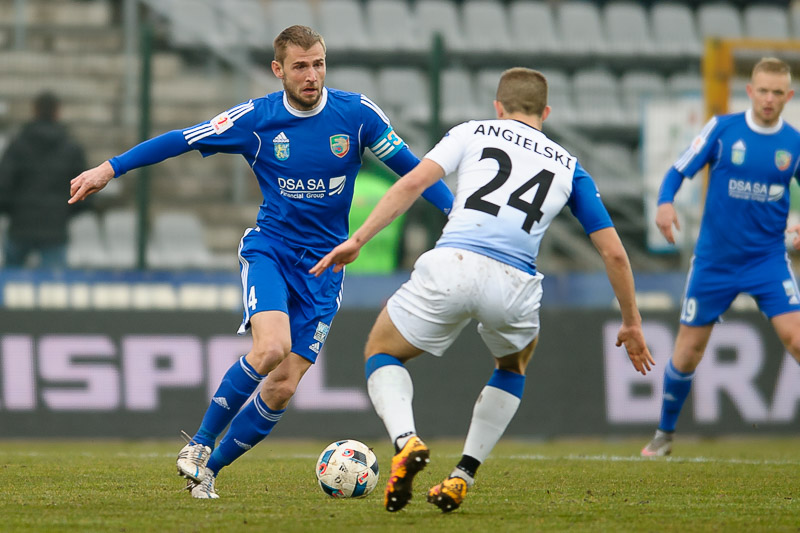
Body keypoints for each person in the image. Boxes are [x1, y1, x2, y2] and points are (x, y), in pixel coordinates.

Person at [68, 25, 453, 498]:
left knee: (282, 386)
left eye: (318, 63)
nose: (312, 75)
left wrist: (458, 212)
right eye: (300, 66)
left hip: (326, 267)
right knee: (271, 349)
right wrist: (110, 168)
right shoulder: (256, 119)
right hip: (271, 250)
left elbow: (414, 172)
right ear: (279, 70)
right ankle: (200, 445)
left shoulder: (355, 115)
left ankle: (208, 473)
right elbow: (182, 139)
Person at [311, 67, 655, 513]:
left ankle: (405, 440)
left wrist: (358, 239)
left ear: (498, 106)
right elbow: (614, 254)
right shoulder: (569, 166)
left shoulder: (472, 132)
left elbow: (414, 181)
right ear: (546, 112)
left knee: (382, 350)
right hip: (513, 283)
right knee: (512, 366)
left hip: (453, 263)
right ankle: (462, 475)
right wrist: (631, 320)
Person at [641, 57, 800, 457]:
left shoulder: (793, 144)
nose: (768, 99)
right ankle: (664, 434)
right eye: (761, 90)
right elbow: (677, 171)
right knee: (689, 351)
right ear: (749, 91)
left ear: (788, 96)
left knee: (797, 339)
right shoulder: (723, 129)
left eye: (777, 92)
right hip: (715, 262)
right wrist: (664, 203)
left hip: (767, 260)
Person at [0, 91, 88, 269]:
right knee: (53, 287)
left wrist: (13, 210)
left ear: (34, 111)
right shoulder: (71, 148)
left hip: (20, 225)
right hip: (54, 228)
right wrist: (65, 212)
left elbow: (4, 185)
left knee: (9, 284)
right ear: (57, 112)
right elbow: (85, 188)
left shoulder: (17, 146)